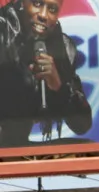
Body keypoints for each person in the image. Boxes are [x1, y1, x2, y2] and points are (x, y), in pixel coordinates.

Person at [0, 0, 91, 148]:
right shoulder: (3, 31)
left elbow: (82, 125)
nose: (43, 15)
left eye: (52, 9)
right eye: (37, 4)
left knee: (87, 148)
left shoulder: (64, 48)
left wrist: (58, 86)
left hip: (20, 149)